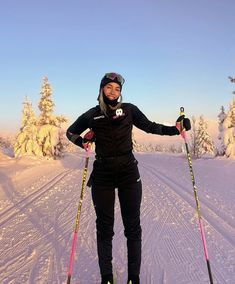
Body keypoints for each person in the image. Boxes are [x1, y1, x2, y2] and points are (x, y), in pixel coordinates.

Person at [66, 72, 191, 284]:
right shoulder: (92, 114)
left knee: (132, 227)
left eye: (117, 89)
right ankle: (107, 277)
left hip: (128, 173)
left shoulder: (130, 110)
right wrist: (83, 142)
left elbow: (151, 126)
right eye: (109, 88)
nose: (113, 92)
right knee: (104, 227)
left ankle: (134, 278)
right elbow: (70, 132)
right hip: (103, 174)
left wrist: (176, 129)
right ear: (102, 90)